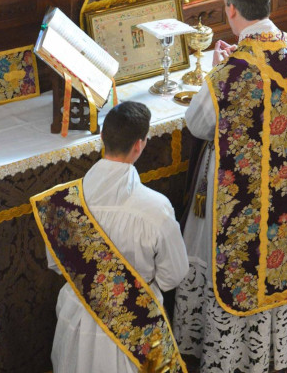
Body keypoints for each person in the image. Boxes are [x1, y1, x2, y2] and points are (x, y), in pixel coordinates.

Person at [173, 0, 287, 372]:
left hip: (236, 199)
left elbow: (198, 124)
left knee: (224, 259)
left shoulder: (232, 73)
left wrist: (216, 74)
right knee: (277, 260)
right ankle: (274, 349)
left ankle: (229, 354)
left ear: (230, 10)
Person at [30, 101, 189, 373]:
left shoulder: (61, 203)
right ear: (139, 145)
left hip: (76, 319)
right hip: (137, 329)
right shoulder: (156, 208)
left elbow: (57, 264)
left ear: (102, 136)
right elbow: (173, 275)